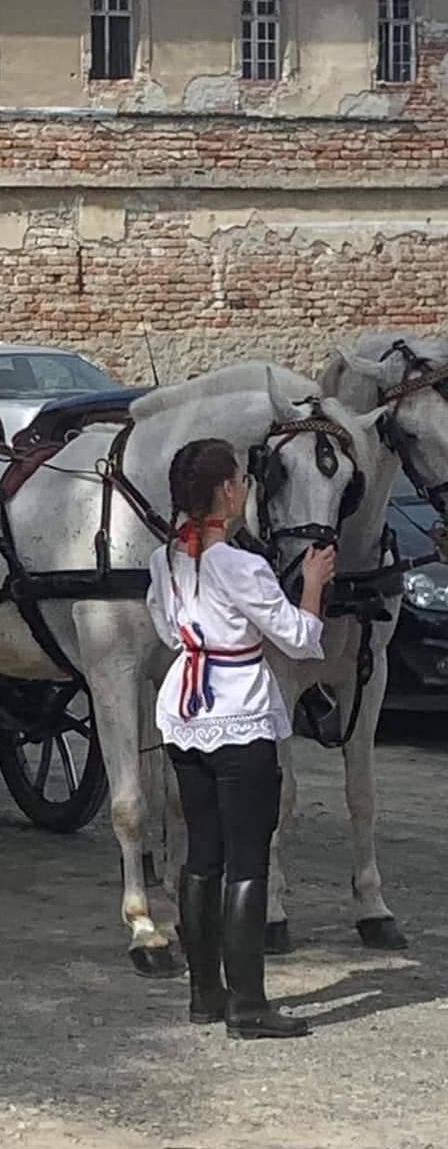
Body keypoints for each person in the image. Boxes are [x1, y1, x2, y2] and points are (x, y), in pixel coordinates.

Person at [146, 438, 336, 1041]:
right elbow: (300, 638)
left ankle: (206, 993)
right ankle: (249, 1005)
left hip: (186, 708)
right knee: (248, 856)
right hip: (238, 706)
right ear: (229, 492)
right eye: (241, 481)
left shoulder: (164, 559)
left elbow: (166, 630)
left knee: (202, 851)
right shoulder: (241, 564)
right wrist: (313, 582)